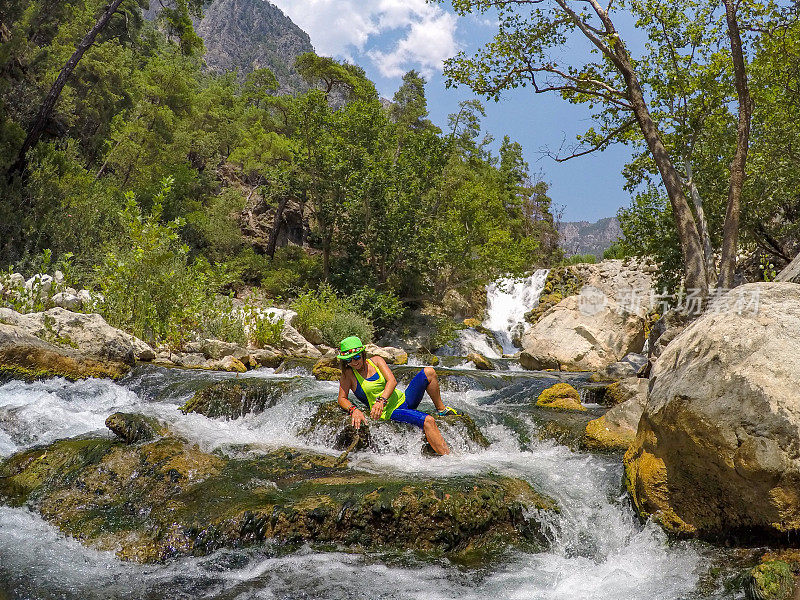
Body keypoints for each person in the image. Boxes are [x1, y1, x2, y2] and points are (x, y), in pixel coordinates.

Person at [336, 335, 458, 456]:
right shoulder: (348, 375)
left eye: (356, 357)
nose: (354, 362)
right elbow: (342, 398)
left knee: (429, 372)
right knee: (429, 421)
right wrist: (354, 410)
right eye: (349, 360)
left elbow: (392, 381)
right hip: (390, 412)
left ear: (362, 354)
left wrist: (381, 400)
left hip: (404, 400)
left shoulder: (376, 360)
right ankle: (450, 459)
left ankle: (441, 409)